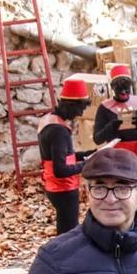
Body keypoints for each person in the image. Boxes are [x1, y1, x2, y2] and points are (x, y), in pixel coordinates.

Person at [39, 72, 94, 235]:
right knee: (68, 233)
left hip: (53, 187)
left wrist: (84, 154)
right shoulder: (59, 131)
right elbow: (60, 169)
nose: (80, 114)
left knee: (64, 230)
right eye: (80, 108)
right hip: (64, 189)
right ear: (70, 105)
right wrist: (86, 165)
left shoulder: (48, 120)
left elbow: (58, 155)